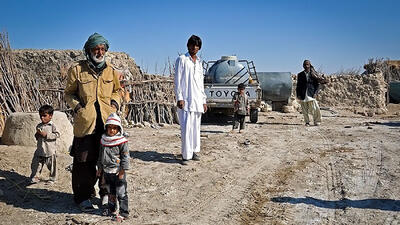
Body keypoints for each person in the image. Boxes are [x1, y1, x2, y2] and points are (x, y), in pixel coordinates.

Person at [65, 33, 121, 211]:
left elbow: (117, 91)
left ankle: (105, 194)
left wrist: (114, 103)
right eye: (96, 48)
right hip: (86, 122)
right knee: (84, 162)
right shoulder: (77, 69)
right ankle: (84, 196)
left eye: (102, 48)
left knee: (107, 161)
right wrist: (77, 107)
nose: (100, 51)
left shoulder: (111, 70)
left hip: (106, 123)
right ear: (89, 50)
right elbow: (69, 93)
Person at [174, 35, 207, 165]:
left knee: (195, 128)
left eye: (197, 45)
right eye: (192, 45)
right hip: (186, 100)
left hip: (197, 100)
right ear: (188, 46)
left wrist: (203, 100)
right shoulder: (182, 59)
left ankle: (193, 152)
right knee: (186, 128)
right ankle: (185, 156)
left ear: (199, 48)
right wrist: (180, 97)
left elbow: (201, 83)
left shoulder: (199, 62)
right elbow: (177, 80)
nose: (194, 47)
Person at [96, 113, 130, 221]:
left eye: (114, 128)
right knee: (110, 192)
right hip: (107, 171)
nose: (112, 130)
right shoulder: (103, 140)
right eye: (109, 128)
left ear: (118, 129)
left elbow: (125, 157)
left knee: (121, 192)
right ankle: (112, 209)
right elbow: (101, 155)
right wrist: (100, 168)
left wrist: (122, 170)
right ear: (106, 128)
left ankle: (124, 213)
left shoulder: (122, 141)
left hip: (117, 171)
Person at [30, 104, 60, 184]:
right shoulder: (39, 126)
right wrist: (37, 134)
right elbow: (37, 137)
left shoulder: (52, 125)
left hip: (50, 150)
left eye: (44, 116)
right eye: (40, 116)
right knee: (36, 165)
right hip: (40, 149)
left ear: (50, 116)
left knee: (52, 166)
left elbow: (57, 134)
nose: (42, 118)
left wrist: (46, 135)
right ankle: (35, 177)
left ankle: (52, 178)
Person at [296, 60, 322, 126]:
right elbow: (298, 85)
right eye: (305, 65)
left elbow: (317, 85)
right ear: (303, 66)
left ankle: (317, 121)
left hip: (311, 93)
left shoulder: (314, 74)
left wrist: (315, 93)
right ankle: (307, 122)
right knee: (304, 110)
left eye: (307, 64)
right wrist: (298, 94)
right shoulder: (300, 75)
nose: (306, 66)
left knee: (315, 108)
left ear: (310, 65)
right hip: (303, 94)